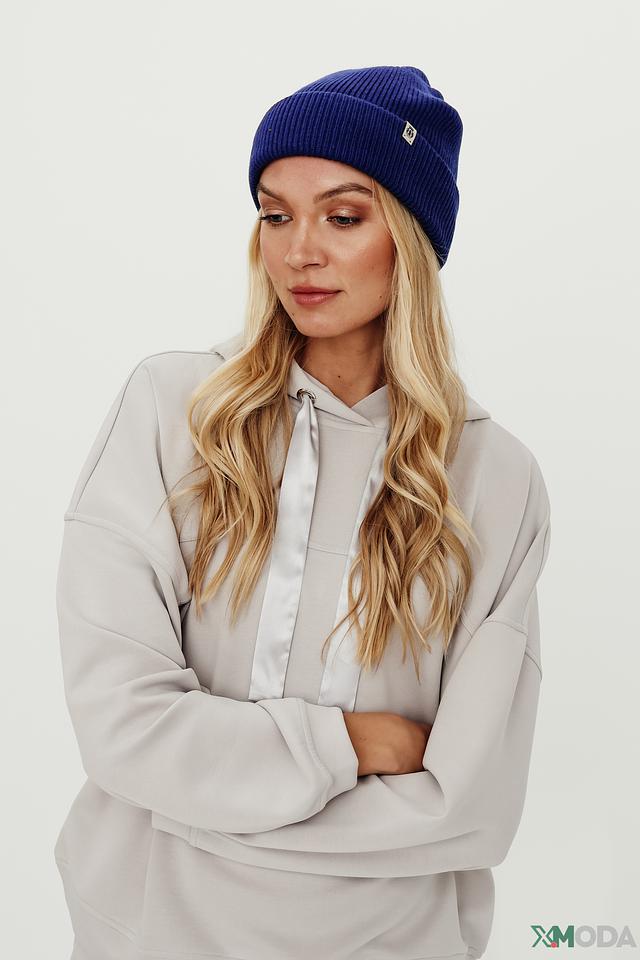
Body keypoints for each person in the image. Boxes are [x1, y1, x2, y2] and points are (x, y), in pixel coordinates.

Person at [54, 65, 552, 960]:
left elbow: (469, 809)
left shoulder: (495, 479)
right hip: (151, 935)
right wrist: (347, 744)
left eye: (344, 217)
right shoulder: (174, 413)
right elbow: (121, 730)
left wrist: (200, 805)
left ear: (411, 236)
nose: (298, 253)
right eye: (275, 215)